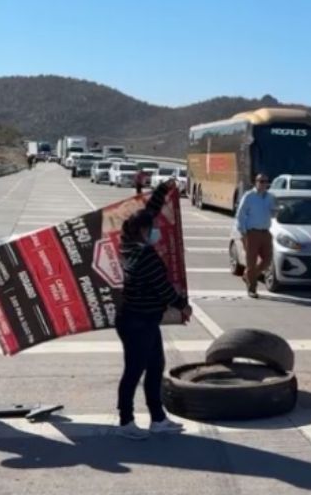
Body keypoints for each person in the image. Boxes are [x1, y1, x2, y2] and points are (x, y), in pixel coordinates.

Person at [114, 180, 191, 440]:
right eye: (153, 229)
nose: (157, 231)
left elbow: (149, 212)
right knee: (134, 371)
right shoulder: (144, 256)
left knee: (156, 365)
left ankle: (157, 418)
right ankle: (126, 421)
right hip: (137, 322)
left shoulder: (127, 242)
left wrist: (162, 191)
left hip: (142, 319)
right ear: (143, 231)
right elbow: (164, 290)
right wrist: (183, 306)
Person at [234, 174, 277, 298]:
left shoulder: (269, 197)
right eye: (261, 181)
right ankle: (252, 289)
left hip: (266, 232)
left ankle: (248, 275)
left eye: (266, 182)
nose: (263, 184)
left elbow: (272, 212)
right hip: (252, 232)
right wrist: (242, 230)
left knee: (268, 260)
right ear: (256, 182)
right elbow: (240, 214)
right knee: (251, 262)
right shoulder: (249, 196)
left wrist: (276, 211)